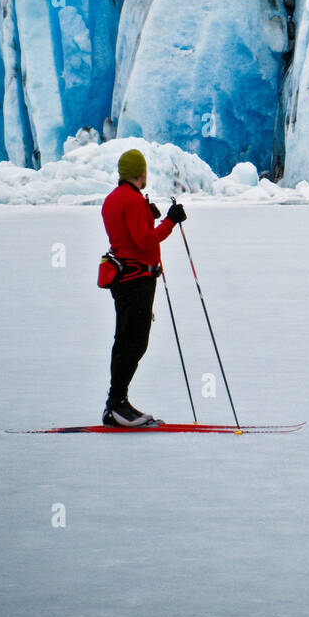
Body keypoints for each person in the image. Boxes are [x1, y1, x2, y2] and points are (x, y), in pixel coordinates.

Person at [101, 149, 186, 426]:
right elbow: (145, 242)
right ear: (141, 172)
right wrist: (170, 221)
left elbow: (126, 236)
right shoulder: (132, 200)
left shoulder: (113, 199)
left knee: (126, 339)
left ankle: (119, 403)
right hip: (137, 281)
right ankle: (116, 405)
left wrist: (146, 214)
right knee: (134, 342)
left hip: (123, 279)